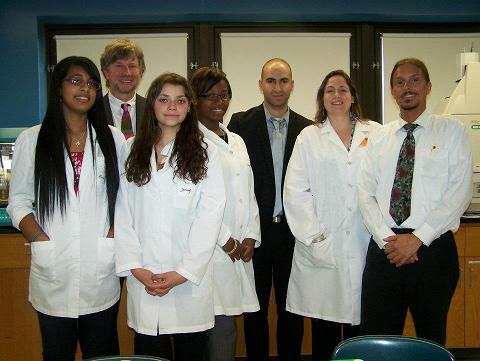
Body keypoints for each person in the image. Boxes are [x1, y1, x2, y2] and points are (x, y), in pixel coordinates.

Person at [7, 56, 125, 361]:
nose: (84, 88)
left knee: (103, 355)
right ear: (58, 87)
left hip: (100, 270)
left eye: (91, 83)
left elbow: (126, 200)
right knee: (56, 353)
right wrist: (39, 238)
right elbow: (18, 201)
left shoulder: (112, 139)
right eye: (75, 80)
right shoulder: (32, 139)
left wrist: (113, 235)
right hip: (53, 269)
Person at [358, 58, 472, 345]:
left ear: (428, 86)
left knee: (431, 338)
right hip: (386, 250)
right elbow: (364, 192)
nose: (407, 87)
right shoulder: (378, 137)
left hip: (432, 249)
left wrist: (418, 238)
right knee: (378, 339)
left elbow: (459, 192)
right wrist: (388, 239)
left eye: (414, 80)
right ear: (393, 91)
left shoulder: (452, 133)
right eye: (399, 82)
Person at [114, 72, 226, 361]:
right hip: (145, 277)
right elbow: (124, 213)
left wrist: (182, 273)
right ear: (152, 104)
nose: (172, 106)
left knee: (193, 352)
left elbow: (210, 217)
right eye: (164, 99)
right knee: (150, 353)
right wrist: (136, 268)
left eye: (180, 100)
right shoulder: (132, 149)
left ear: (189, 106)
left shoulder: (206, 153)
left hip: (188, 279)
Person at [283, 70, 380, 360]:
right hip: (322, 243)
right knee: (324, 327)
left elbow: (384, 184)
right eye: (330, 91)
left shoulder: (374, 132)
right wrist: (315, 236)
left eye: (342, 90)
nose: (336, 96)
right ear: (322, 99)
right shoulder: (309, 137)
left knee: (360, 328)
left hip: (365, 240)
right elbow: (295, 190)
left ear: (352, 96)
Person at [228, 58, 312, 361]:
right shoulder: (240, 124)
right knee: (256, 310)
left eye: (283, 80)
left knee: (292, 309)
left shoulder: (307, 129)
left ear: (292, 84)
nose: (278, 87)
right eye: (271, 81)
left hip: (293, 234)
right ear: (260, 84)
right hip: (256, 234)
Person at [190, 66, 261, 361]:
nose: (219, 101)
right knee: (213, 330)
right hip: (210, 251)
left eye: (224, 95)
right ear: (195, 99)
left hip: (238, 248)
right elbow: (195, 201)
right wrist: (226, 240)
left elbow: (249, 193)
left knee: (228, 327)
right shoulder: (189, 140)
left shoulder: (237, 140)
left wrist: (250, 236)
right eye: (210, 96)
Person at [100, 38, 146, 137]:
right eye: (119, 66)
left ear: (141, 72)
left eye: (132, 66)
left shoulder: (153, 110)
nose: (127, 73)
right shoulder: (92, 111)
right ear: (106, 72)